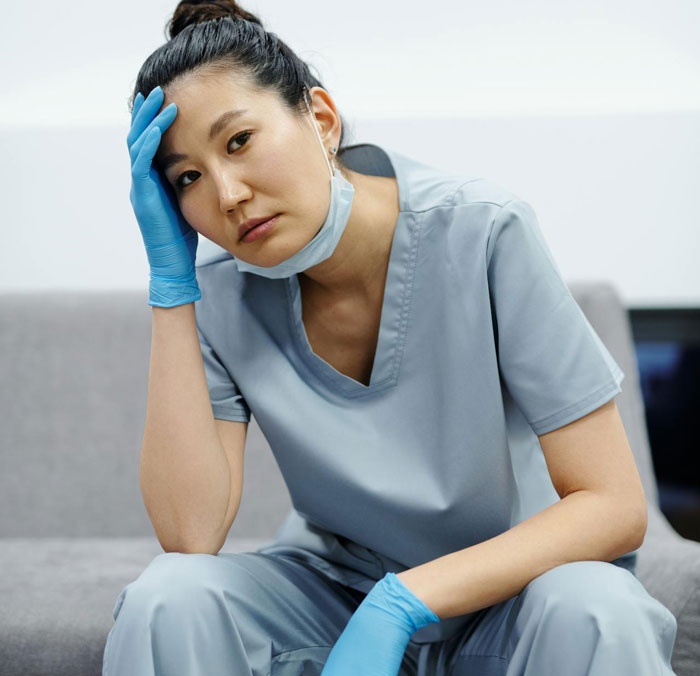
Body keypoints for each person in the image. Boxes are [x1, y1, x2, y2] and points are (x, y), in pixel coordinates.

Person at [104, 1, 679, 674]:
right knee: (168, 597)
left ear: (320, 119)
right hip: (331, 600)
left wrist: (403, 600)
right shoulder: (222, 295)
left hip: (511, 595)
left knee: (596, 607)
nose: (227, 194)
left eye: (238, 142)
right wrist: (171, 287)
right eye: (187, 179)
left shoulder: (483, 232)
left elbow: (614, 507)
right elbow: (189, 536)